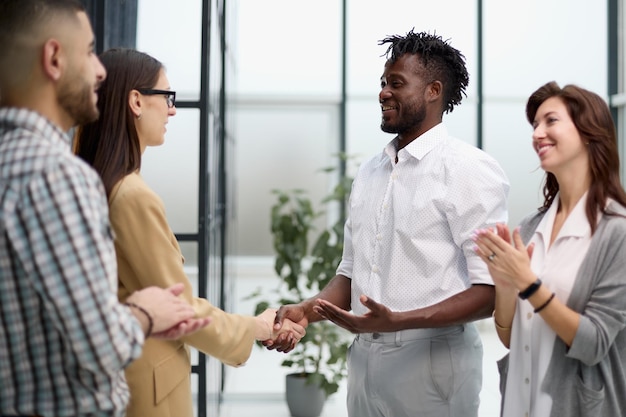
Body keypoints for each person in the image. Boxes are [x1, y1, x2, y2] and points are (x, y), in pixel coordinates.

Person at [267, 29, 510, 417]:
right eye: (382, 82)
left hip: (432, 363)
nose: (383, 93)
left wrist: (398, 321)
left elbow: (491, 290)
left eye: (396, 83)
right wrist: (307, 309)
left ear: (433, 91)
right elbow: (351, 273)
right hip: (365, 359)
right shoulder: (371, 172)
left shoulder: (468, 169)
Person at [0, 1, 211, 417]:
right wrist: (145, 311)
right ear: (55, 58)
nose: (99, 71)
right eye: (90, 51)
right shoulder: (57, 175)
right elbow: (102, 344)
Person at [73, 47, 306, 417]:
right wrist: (258, 327)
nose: (172, 110)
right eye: (166, 96)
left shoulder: (97, 183)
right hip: (148, 386)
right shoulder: (131, 195)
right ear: (135, 101)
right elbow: (180, 311)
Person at [473, 81, 626, 417]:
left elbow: (595, 342)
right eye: (535, 125)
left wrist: (529, 285)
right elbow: (511, 338)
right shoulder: (530, 227)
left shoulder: (617, 232)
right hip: (519, 405)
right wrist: (505, 285)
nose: (537, 133)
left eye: (550, 121)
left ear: (588, 132)